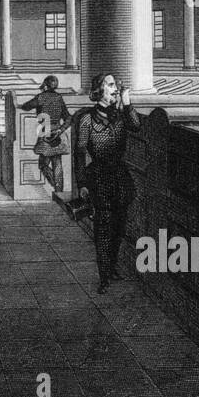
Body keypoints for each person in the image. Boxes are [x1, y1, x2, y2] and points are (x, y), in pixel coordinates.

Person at [75, 73, 141, 294]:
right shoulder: (87, 119)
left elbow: (136, 126)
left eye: (116, 85)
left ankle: (111, 267)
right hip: (99, 178)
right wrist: (81, 183)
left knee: (119, 228)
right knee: (103, 230)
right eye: (111, 85)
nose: (116, 88)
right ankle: (104, 276)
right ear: (99, 90)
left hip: (119, 178)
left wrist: (127, 101)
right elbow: (80, 153)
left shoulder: (120, 116)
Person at [22, 74, 71, 193]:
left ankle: (55, 184)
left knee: (43, 164)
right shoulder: (59, 97)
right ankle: (59, 190)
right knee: (57, 162)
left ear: (46, 85)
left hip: (46, 133)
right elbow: (68, 117)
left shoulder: (41, 97)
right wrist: (61, 129)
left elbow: (26, 106)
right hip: (58, 133)